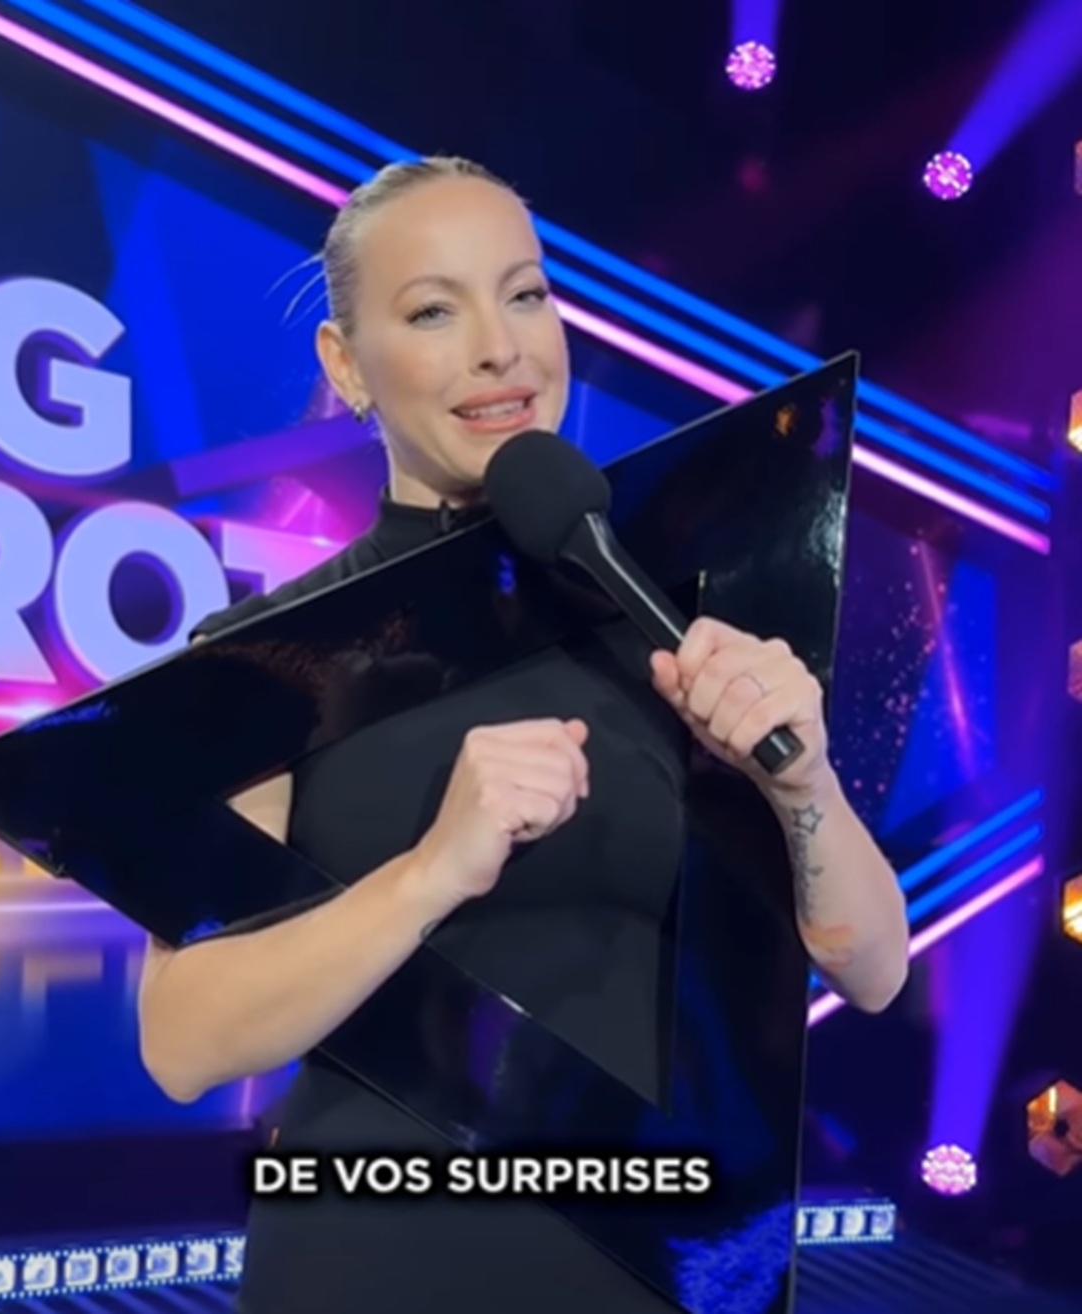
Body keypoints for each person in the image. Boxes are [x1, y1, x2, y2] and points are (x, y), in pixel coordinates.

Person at [137, 156, 909, 1312]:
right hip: (372, 1266)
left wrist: (805, 789)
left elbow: (874, 968)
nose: (501, 348)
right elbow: (182, 1042)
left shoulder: (683, 628)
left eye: (526, 294)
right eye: (433, 311)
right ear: (345, 365)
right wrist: (431, 872)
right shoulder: (268, 655)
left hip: (655, 1267)